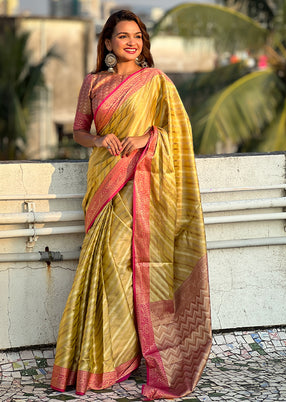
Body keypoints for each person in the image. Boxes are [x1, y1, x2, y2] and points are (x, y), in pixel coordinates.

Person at [51, 9, 212, 400]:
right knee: (105, 266)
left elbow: (178, 131)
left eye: (137, 36)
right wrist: (100, 140)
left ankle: (130, 354)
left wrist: (146, 139)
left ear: (143, 42)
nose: (130, 42)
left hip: (141, 179)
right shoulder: (94, 82)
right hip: (103, 179)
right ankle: (102, 358)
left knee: (123, 264)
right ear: (107, 43)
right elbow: (79, 132)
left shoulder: (156, 82)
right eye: (122, 36)